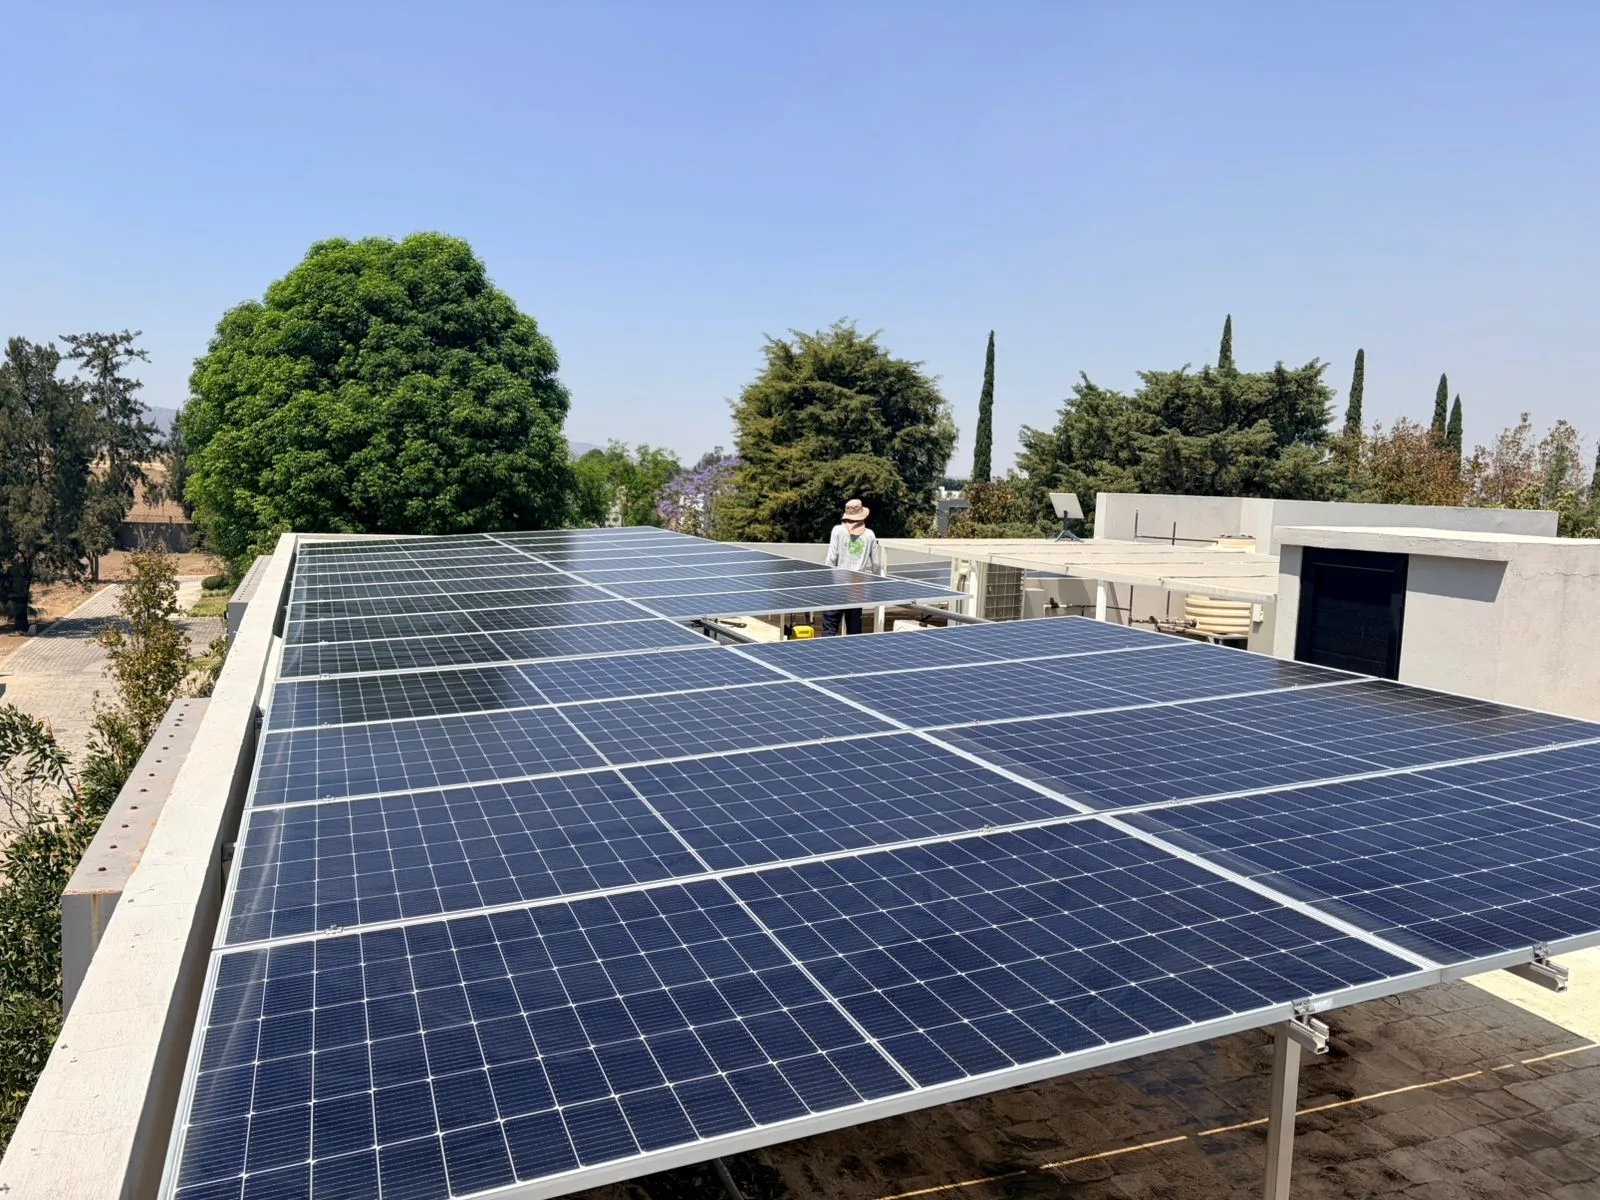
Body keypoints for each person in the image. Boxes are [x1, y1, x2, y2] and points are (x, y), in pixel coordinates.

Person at [821, 497, 884, 635]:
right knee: (854, 632)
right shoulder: (870, 535)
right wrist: (876, 583)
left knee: (830, 629)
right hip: (857, 588)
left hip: (837, 585)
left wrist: (827, 583)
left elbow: (831, 559)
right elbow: (876, 564)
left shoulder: (837, 530)